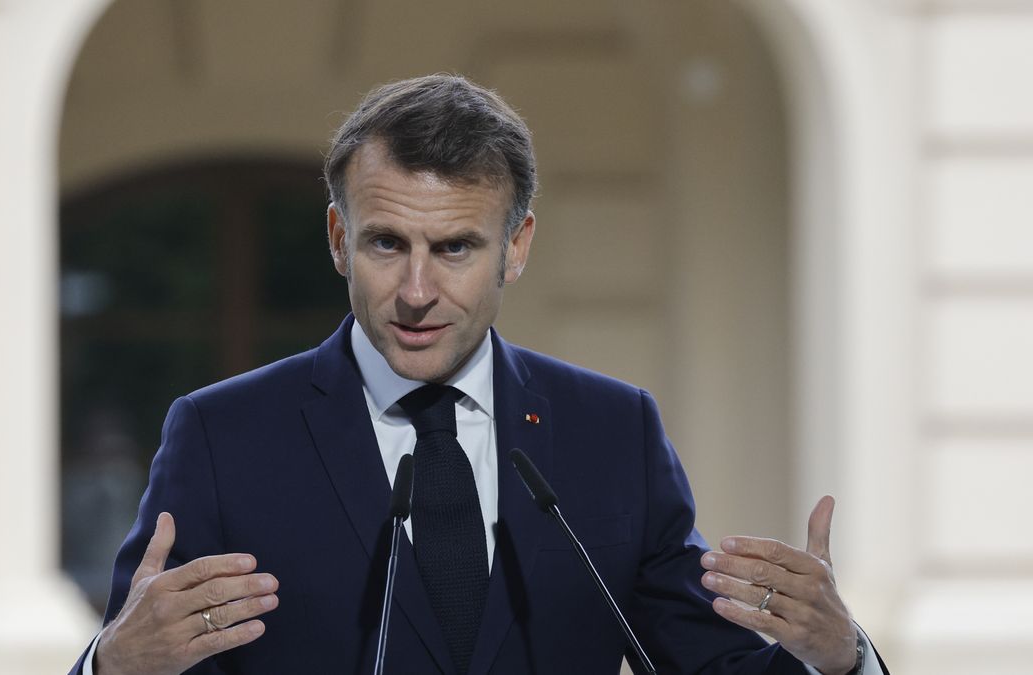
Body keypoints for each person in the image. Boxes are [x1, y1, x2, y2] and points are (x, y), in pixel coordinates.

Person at [69, 74, 888, 675]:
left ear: (518, 246)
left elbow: (709, 668)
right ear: (336, 238)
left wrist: (839, 655)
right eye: (387, 243)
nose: (417, 292)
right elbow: (151, 655)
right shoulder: (223, 435)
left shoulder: (612, 431)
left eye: (455, 247)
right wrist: (108, 668)